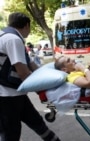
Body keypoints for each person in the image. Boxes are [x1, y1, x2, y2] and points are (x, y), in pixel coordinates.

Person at [0, 12, 60, 141]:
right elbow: (23, 72)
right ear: (27, 25)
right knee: (11, 133)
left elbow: (31, 64)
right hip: (7, 98)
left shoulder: (5, 36)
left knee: (38, 124)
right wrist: (44, 88)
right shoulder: (13, 39)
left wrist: (46, 78)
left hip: (15, 95)